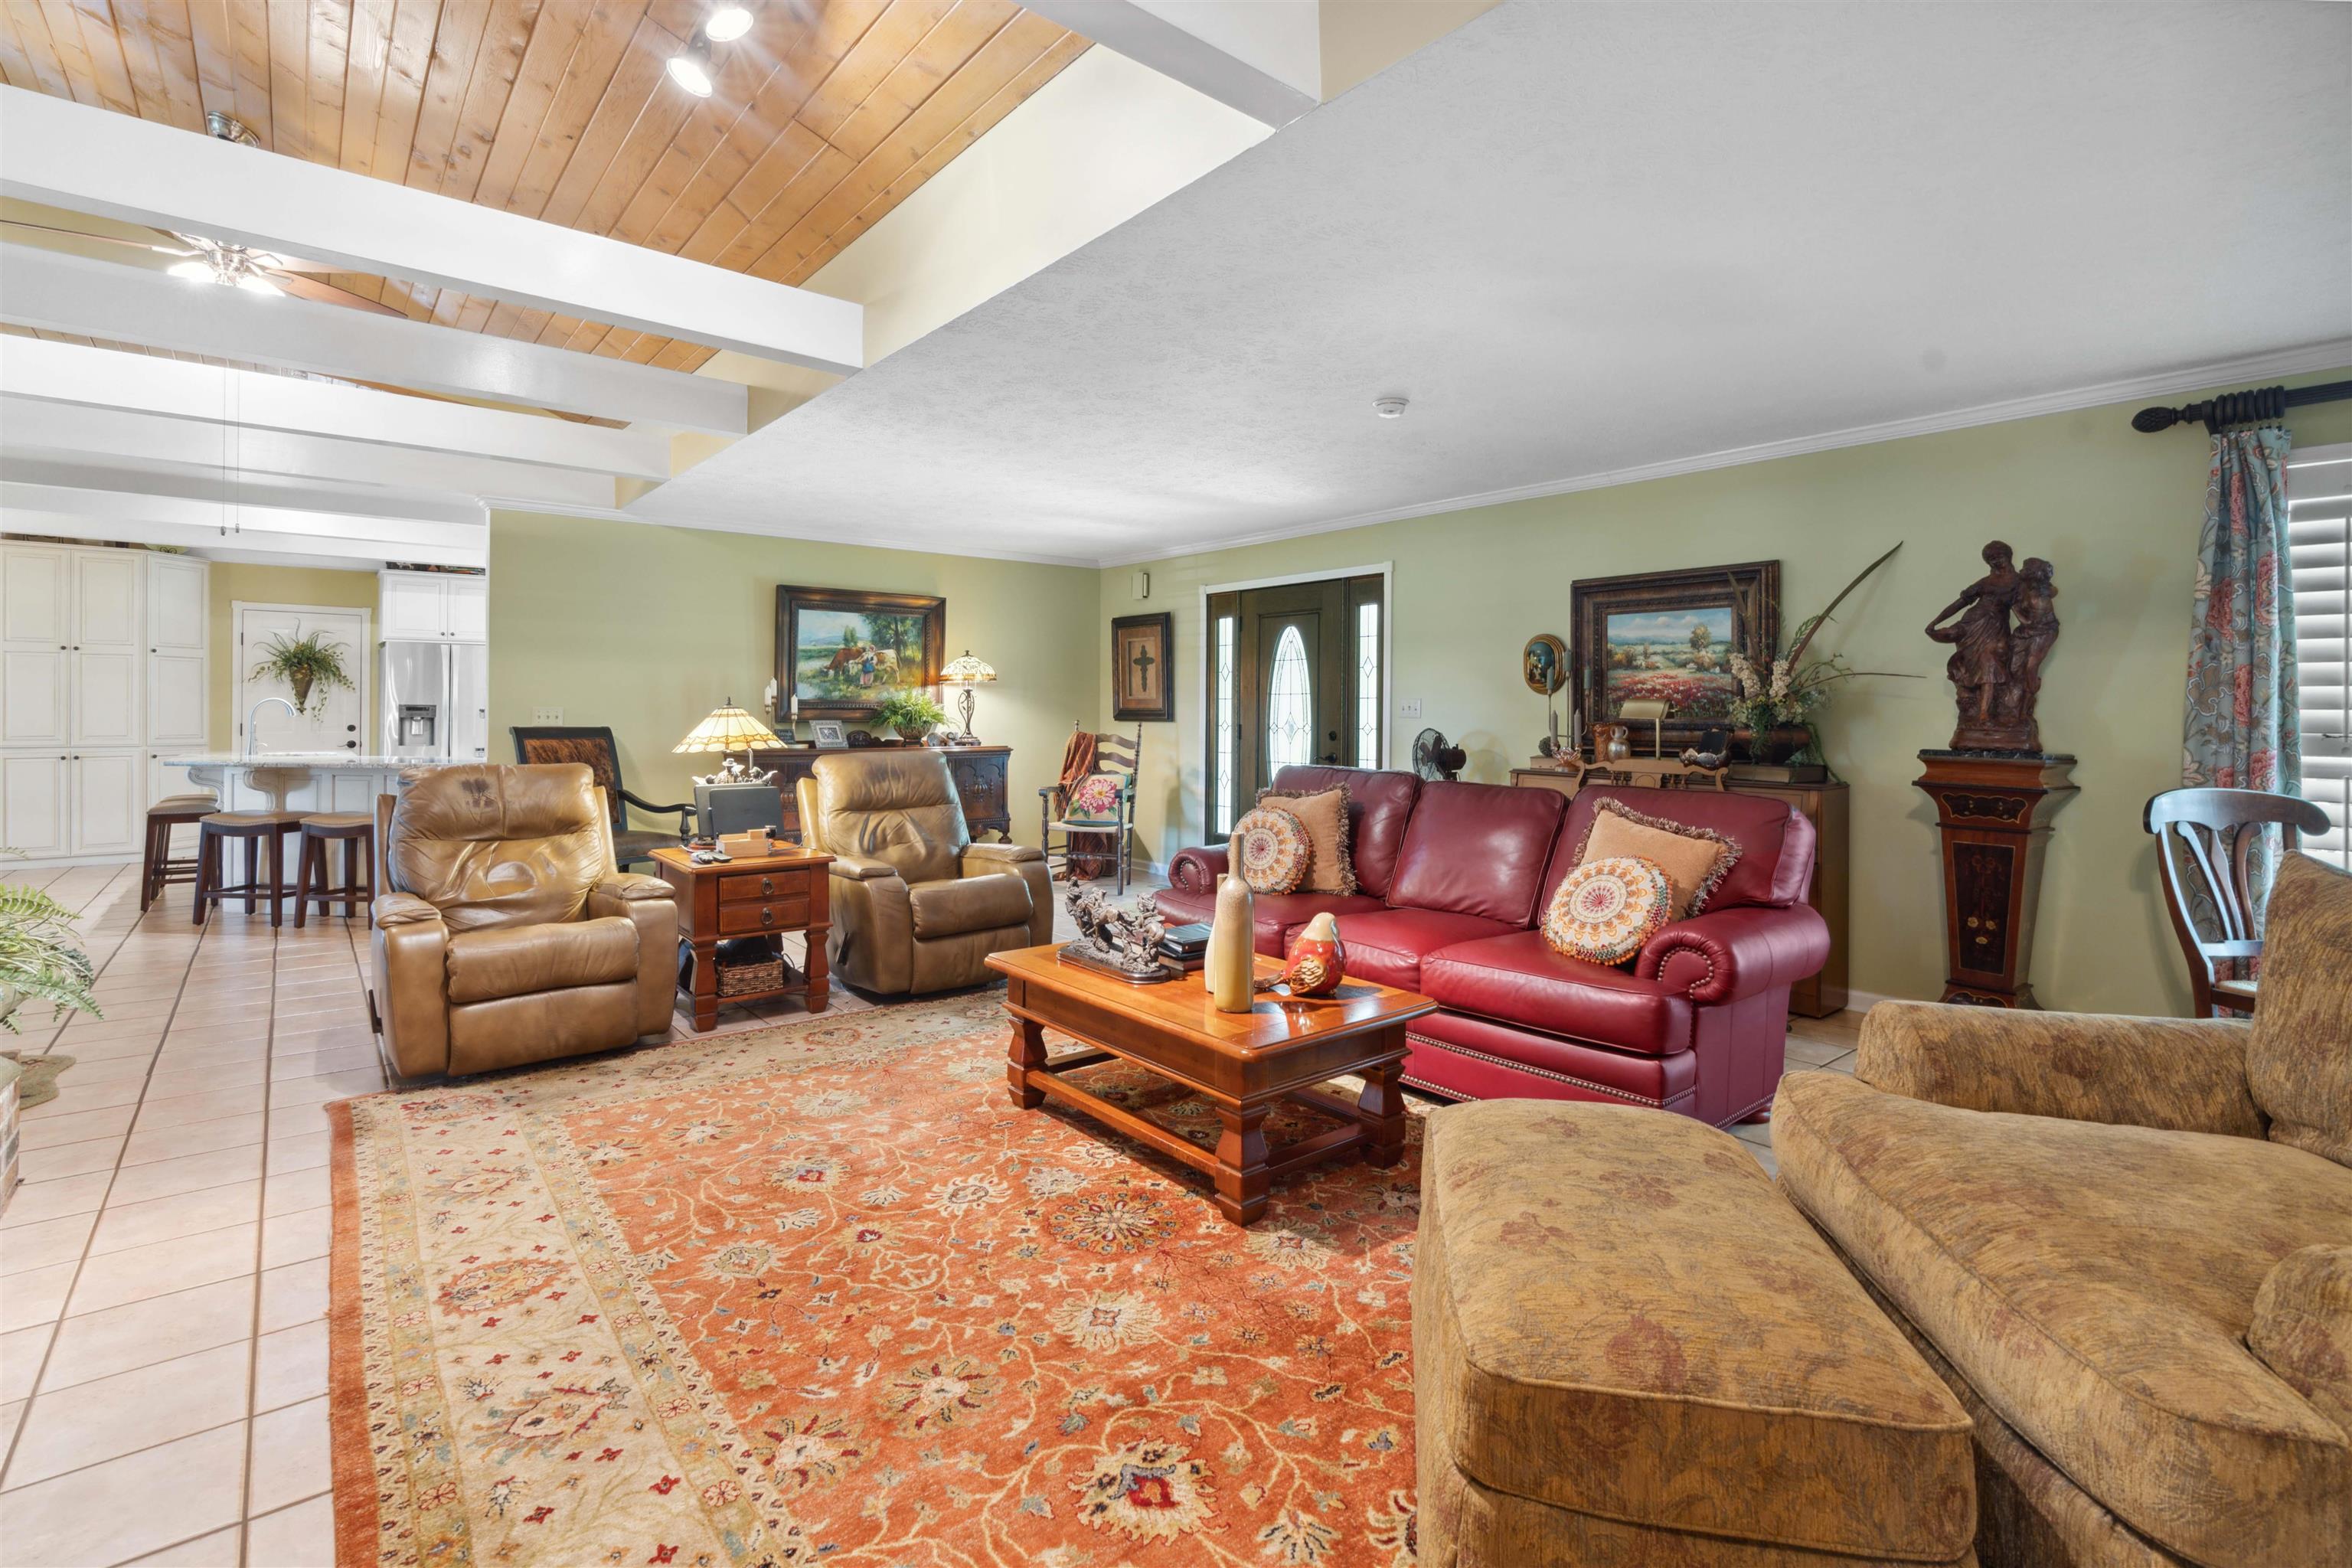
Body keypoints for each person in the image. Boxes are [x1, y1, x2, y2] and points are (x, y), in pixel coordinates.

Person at [1925, 541, 2019, 729]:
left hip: (1995, 627)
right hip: (1972, 622)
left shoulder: (2019, 581)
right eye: (1990, 560)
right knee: (1951, 633)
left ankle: (1984, 713)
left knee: (1989, 663)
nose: (1995, 563)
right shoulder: (1985, 582)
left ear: (2008, 556)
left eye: (1998, 557)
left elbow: (2029, 603)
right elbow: (1960, 603)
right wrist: (1935, 622)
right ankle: (1974, 702)